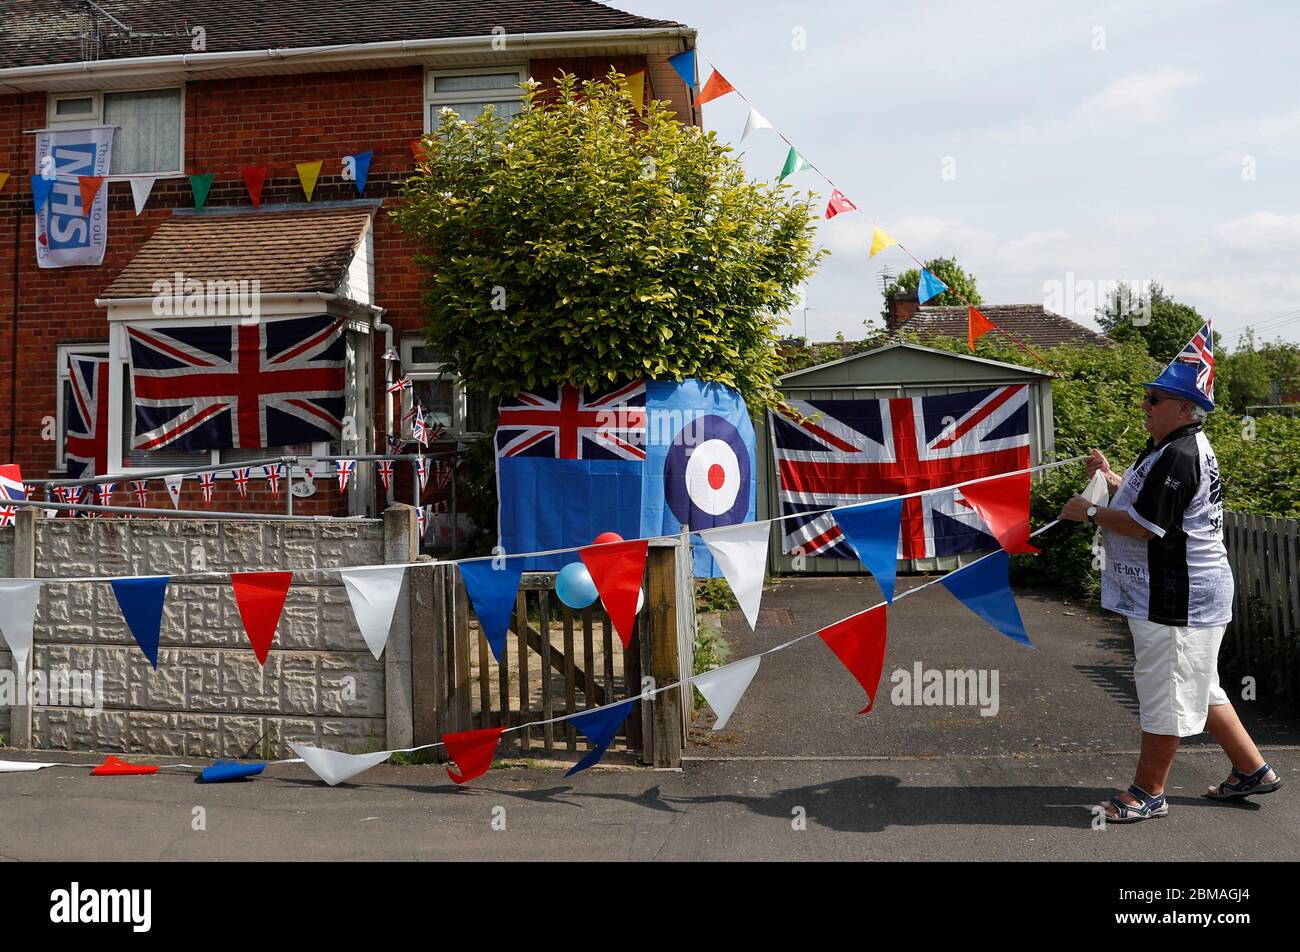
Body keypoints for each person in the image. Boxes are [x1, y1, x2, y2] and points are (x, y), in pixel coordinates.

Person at [1057, 345, 1281, 823]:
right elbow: (1148, 502)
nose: (1145, 405)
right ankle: (1251, 769)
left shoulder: (1180, 453)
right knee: (1199, 685)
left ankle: (1147, 793)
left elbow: (1146, 526)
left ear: (1184, 407)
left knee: (1167, 689)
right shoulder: (1168, 448)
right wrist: (1109, 478)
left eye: (1154, 398)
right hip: (1182, 594)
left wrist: (1090, 510)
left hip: (1178, 596)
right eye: (1147, 397)